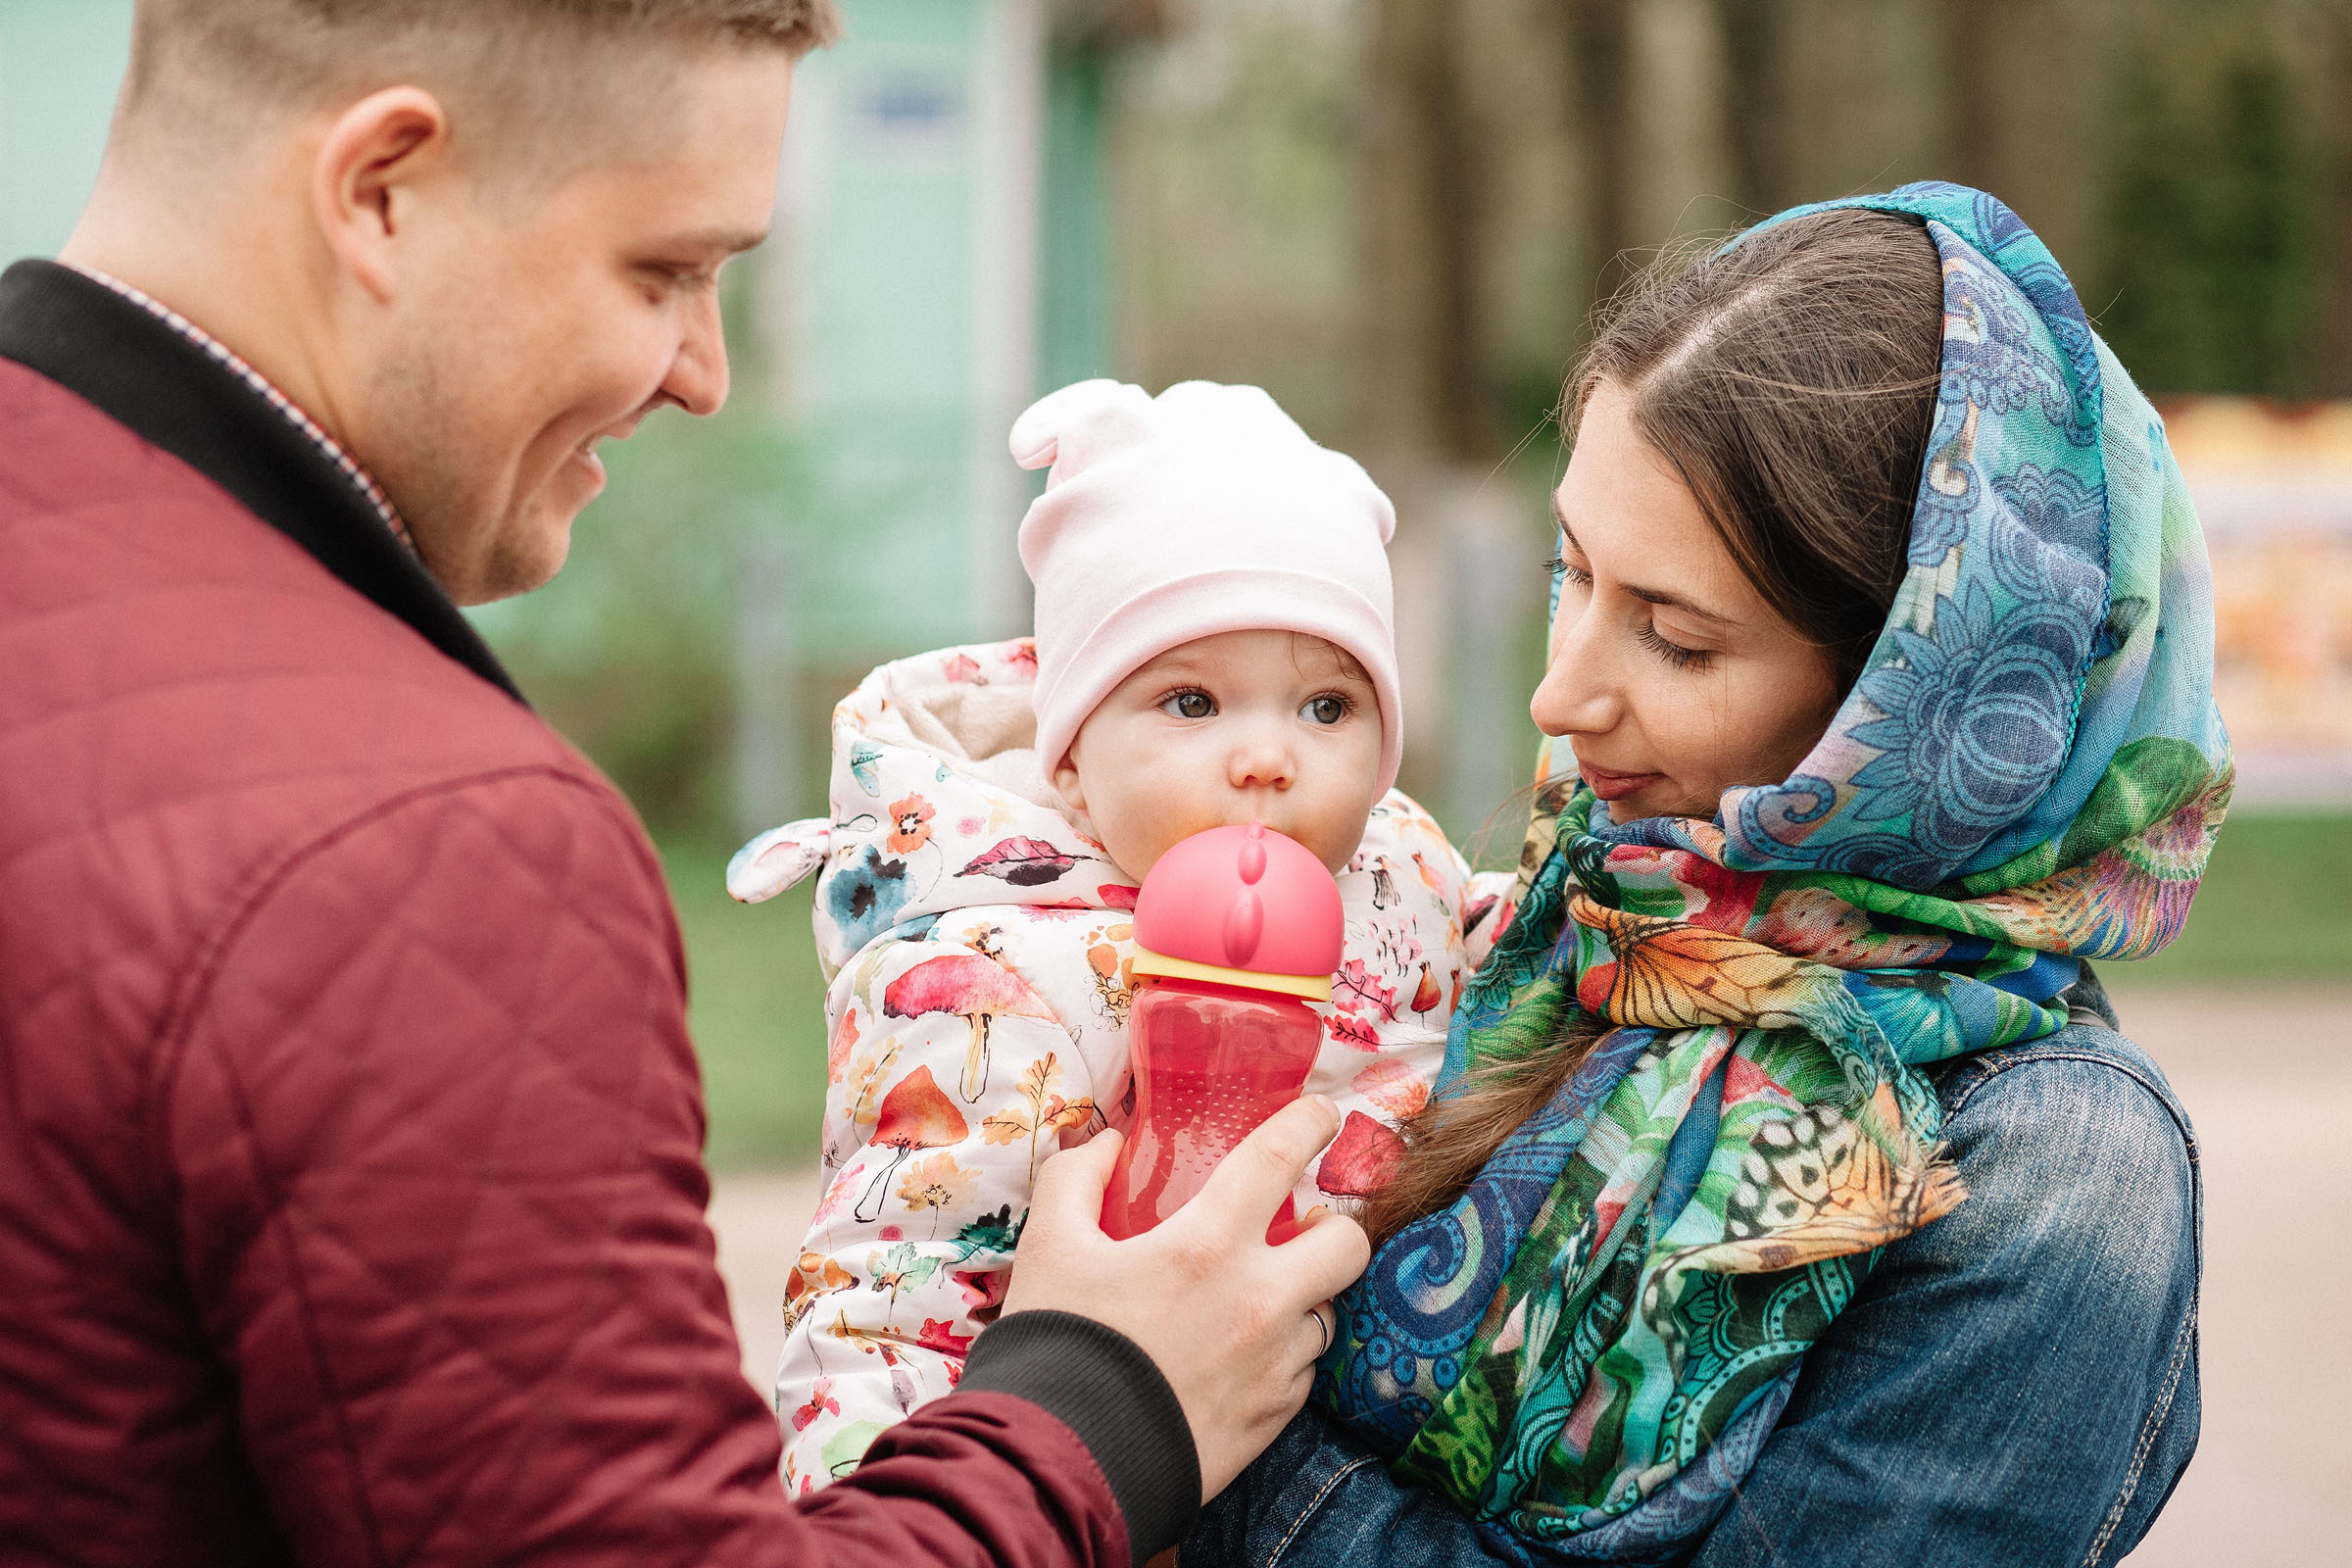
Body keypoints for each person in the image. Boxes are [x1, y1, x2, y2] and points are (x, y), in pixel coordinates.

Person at [0, 4, 1367, 1565]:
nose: (706, 375)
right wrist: (1108, 1397)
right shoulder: (429, 851)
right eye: (665, 273)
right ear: (383, 189)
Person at [1186, 185, 2220, 1566]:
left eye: (1672, 638)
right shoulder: (1578, 927)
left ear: (1923, 708)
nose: (1559, 697)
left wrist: (1199, 1459)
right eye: (1575, 571)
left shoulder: (2053, 1169)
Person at [729, 379, 1511, 1488]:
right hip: (1094, 1471)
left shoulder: (1402, 867)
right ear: (1072, 765)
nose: (1268, 756)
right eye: (1193, 702)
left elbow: (1495, 945)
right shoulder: (989, 981)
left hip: (1341, 1448)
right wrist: (885, 1502)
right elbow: (892, 1286)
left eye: (1327, 706)